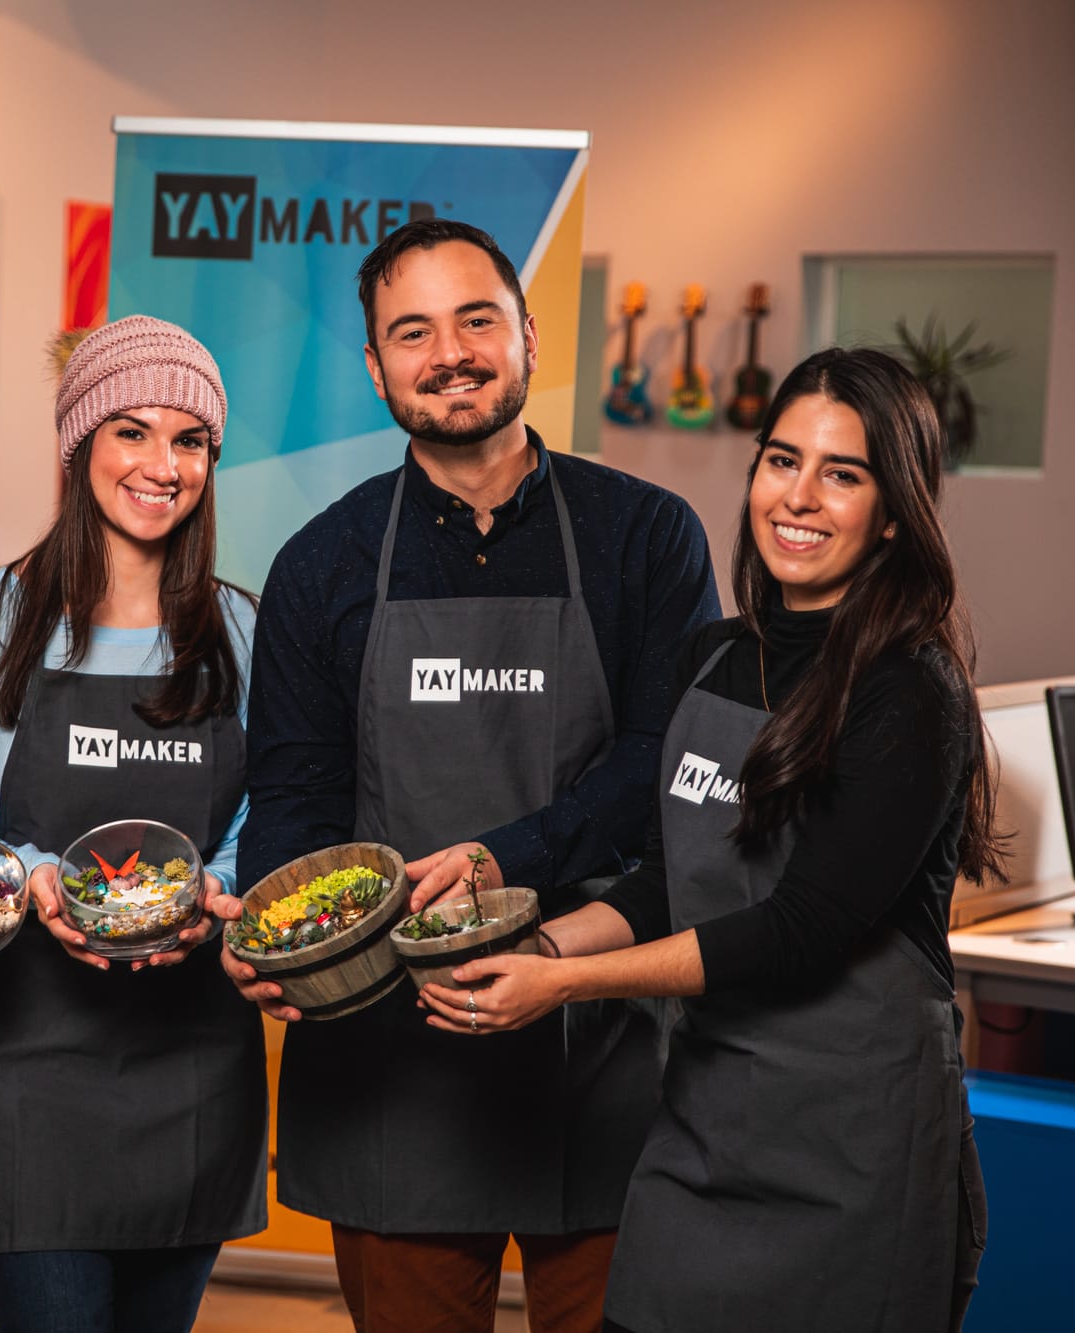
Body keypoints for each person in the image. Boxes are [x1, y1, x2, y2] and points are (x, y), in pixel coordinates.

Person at [421, 347, 1000, 1333]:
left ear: (893, 512)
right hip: (704, 1134)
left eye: (841, 474)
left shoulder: (911, 692)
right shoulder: (712, 660)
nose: (799, 496)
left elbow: (798, 929)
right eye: (781, 460)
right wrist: (538, 948)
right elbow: (665, 879)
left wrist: (560, 986)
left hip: (853, 1153)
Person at [212, 219, 721, 1333]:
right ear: (374, 367)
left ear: (528, 336)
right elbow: (294, 791)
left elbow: (667, 768)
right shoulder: (320, 564)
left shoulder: (647, 538)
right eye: (412, 331)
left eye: (475, 318)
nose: (449, 351)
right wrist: (272, 933)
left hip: (603, 1038)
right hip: (392, 1068)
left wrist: (508, 857)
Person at [0, 315, 266, 1333]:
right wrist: (32, 880)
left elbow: (255, 816)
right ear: (78, 443)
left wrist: (211, 891)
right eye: (131, 431)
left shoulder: (241, 631)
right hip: (27, 1063)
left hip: (192, 1064)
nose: (162, 465)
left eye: (189, 439)